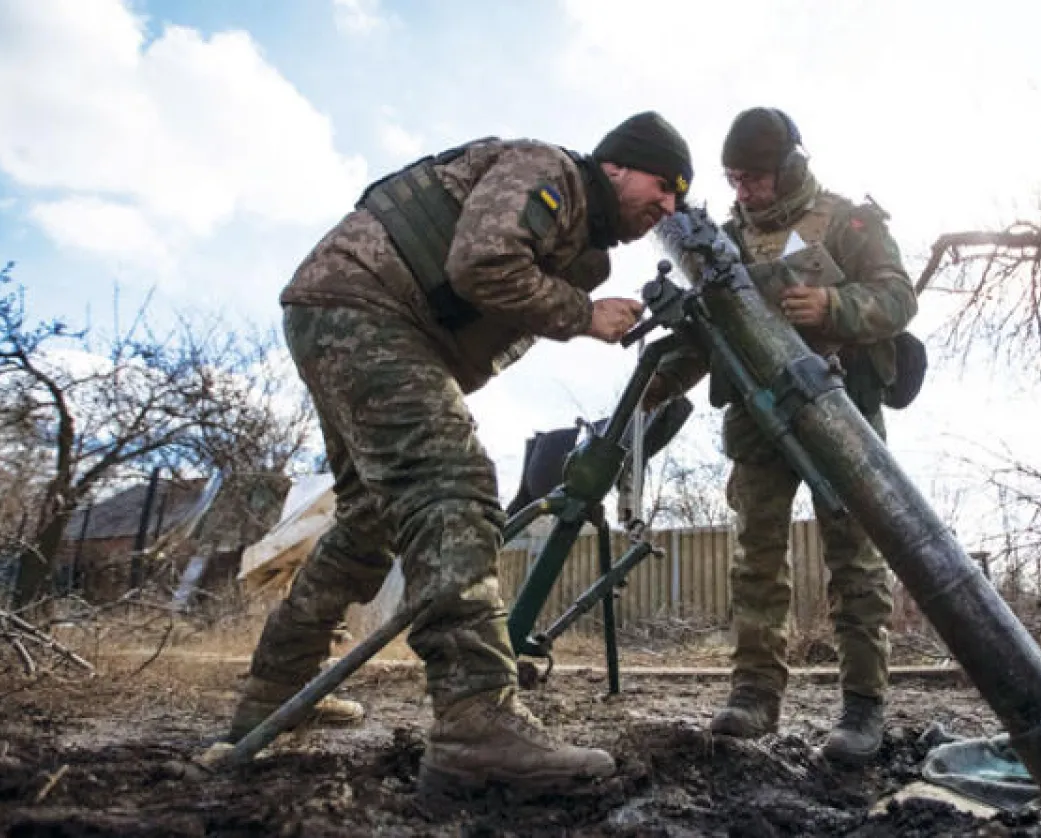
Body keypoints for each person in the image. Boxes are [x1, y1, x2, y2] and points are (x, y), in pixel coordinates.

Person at [228, 112, 693, 797]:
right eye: (664, 185)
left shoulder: (574, 234)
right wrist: (582, 315)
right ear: (618, 165)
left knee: (370, 518)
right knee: (455, 487)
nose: (668, 207)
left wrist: (585, 306)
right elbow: (480, 263)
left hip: (345, 309)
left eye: (679, 200)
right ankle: (475, 721)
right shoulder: (550, 171)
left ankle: (272, 693)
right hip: (367, 308)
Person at [643, 107, 916, 766]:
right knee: (755, 557)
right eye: (734, 179)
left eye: (756, 178)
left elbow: (899, 297)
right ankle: (754, 694)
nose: (745, 191)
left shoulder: (849, 221)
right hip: (757, 416)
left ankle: (862, 706)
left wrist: (834, 307)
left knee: (854, 556)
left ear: (789, 166)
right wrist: (651, 382)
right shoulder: (721, 239)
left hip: (843, 406)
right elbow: (702, 332)